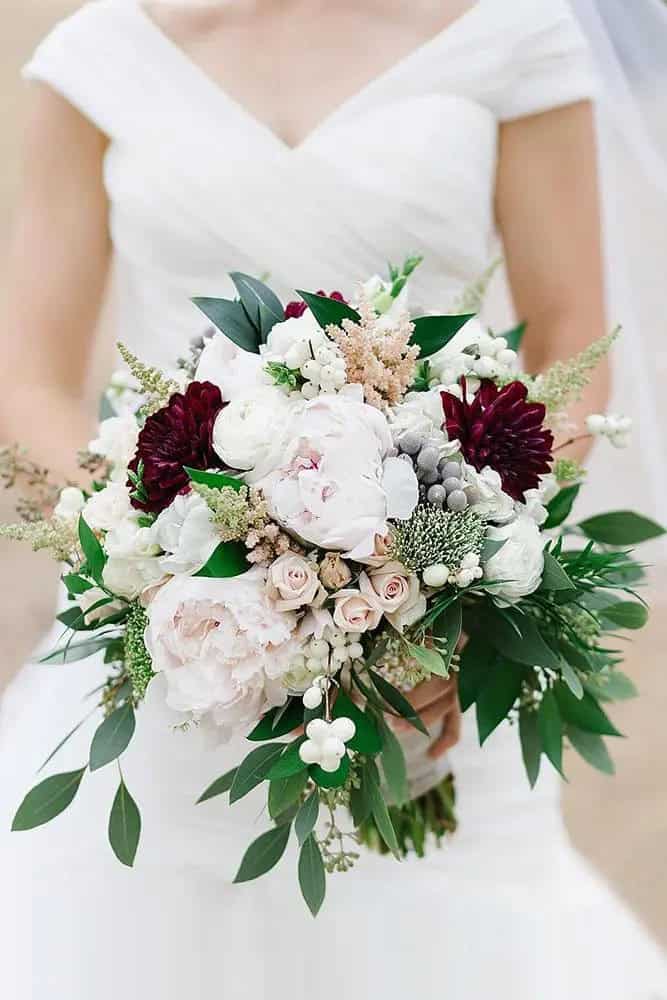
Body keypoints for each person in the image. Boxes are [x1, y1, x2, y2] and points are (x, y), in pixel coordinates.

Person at [0, 1, 665, 997]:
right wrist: (161, 557)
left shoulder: (511, 35)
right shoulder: (101, 58)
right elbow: (29, 377)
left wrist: (445, 587)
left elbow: (568, 335)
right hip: (165, 635)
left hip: (430, 628)